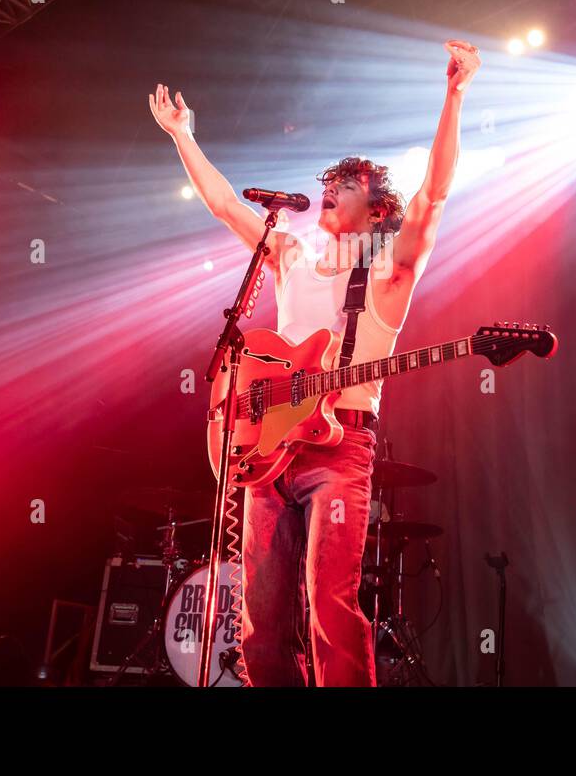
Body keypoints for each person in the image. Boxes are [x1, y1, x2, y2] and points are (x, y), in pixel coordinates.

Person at [148, 39, 480, 685]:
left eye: (345, 187)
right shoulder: (290, 257)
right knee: (260, 623)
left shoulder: (388, 273)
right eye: (327, 184)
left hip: (339, 451)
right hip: (265, 449)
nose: (328, 191)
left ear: (376, 210)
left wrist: (455, 94)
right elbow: (224, 206)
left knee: (330, 604)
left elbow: (434, 196)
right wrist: (183, 136)